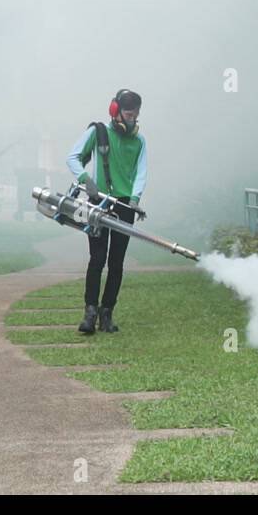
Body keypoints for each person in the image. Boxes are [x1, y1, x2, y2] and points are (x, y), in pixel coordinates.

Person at [66, 89, 148, 334]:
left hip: (124, 205)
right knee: (98, 258)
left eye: (135, 113)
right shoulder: (98, 132)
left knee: (116, 262)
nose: (131, 117)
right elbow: (72, 157)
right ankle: (89, 312)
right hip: (97, 201)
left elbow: (141, 173)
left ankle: (107, 313)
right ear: (116, 110)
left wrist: (135, 198)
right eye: (127, 112)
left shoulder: (139, 141)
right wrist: (84, 179)